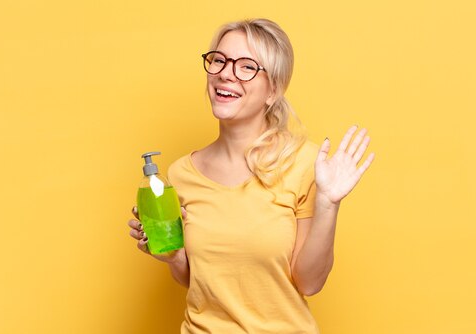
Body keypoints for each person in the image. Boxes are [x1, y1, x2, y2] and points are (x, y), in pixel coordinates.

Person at [128, 18, 375, 333]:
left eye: (246, 66)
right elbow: (197, 280)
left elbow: (310, 282)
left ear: (273, 89)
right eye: (218, 60)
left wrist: (328, 203)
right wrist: (173, 256)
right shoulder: (180, 174)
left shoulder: (305, 163)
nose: (226, 73)